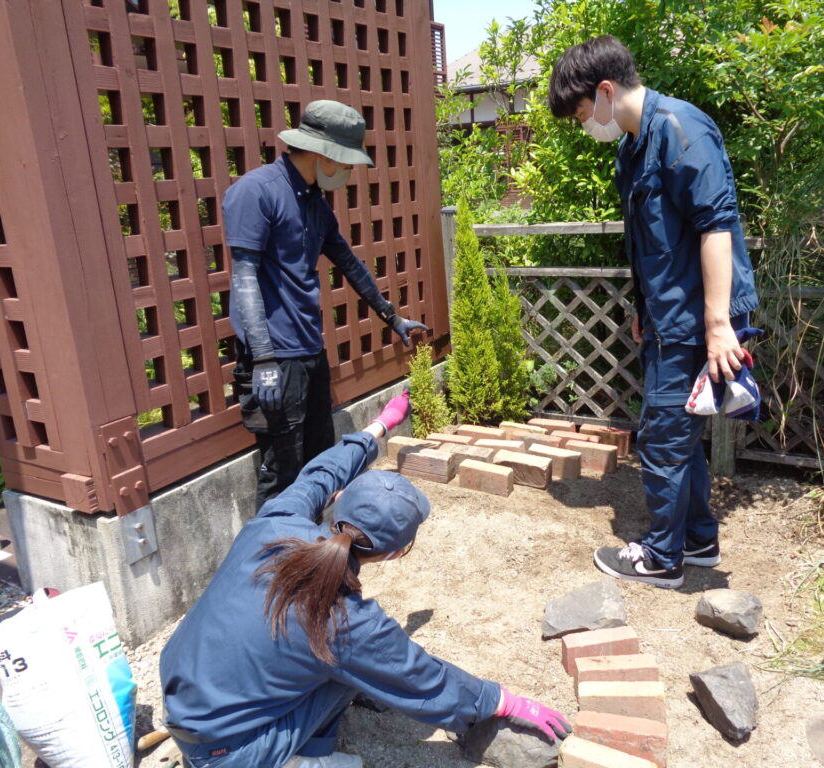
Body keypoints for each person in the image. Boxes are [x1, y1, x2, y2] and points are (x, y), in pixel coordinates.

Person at [160, 392, 571, 768]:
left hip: (183, 695)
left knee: (334, 664)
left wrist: (379, 426)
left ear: (338, 499)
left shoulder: (275, 522)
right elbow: (419, 678)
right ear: (396, 553)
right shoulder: (344, 624)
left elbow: (318, 473)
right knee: (350, 674)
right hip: (225, 752)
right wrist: (500, 701)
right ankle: (309, 762)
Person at [547, 36, 760, 589]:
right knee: (680, 436)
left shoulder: (682, 129)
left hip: (696, 320)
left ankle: (663, 558)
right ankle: (699, 539)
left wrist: (718, 327)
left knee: (662, 438)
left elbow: (715, 226)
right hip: (666, 316)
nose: (584, 125)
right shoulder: (633, 147)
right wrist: (642, 307)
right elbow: (647, 241)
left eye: (580, 113)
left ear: (606, 91)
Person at [223, 100, 428, 509]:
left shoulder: (314, 201)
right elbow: (243, 275)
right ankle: (274, 564)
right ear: (324, 155)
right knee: (281, 472)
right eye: (347, 162)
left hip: (309, 353)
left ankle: (312, 555)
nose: (350, 172)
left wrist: (392, 317)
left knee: (319, 463)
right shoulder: (256, 191)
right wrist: (262, 359)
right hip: (275, 359)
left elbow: (348, 262)